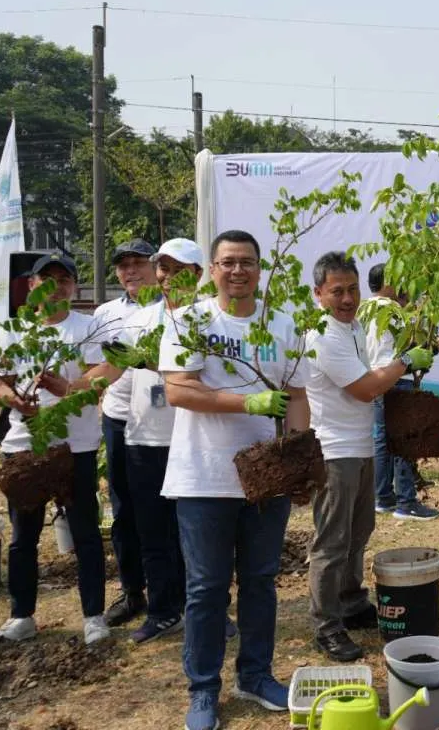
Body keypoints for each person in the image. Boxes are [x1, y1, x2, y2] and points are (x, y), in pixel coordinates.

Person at [160, 230, 310, 730]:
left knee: (261, 581)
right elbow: (180, 389)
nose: (237, 271)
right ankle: (203, 689)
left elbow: (298, 395)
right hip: (204, 477)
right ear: (212, 269)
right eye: (228, 262)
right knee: (206, 587)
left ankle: (256, 675)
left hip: (267, 480)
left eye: (246, 262)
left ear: (259, 268)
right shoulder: (191, 320)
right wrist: (247, 401)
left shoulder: (283, 325)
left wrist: (297, 454)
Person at [46, 239, 207, 644]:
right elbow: (109, 369)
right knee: (152, 530)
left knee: (196, 532)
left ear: (199, 275)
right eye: (165, 269)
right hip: (145, 438)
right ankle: (163, 610)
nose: (170, 278)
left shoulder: (210, 321)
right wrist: (69, 387)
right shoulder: (139, 322)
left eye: (179, 270)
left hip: (195, 438)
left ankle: (203, 609)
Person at [305, 252, 433, 662]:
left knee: (358, 532)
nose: (346, 298)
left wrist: (406, 355)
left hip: (359, 445)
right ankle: (326, 626)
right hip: (333, 450)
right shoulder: (322, 333)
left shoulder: (357, 326)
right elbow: (365, 389)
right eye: (337, 291)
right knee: (332, 542)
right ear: (318, 294)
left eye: (352, 289)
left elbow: (377, 372)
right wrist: (404, 362)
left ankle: (351, 600)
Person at [0, 253, 110, 645]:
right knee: (23, 536)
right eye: (47, 278)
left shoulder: (89, 327)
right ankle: (21, 614)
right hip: (23, 446)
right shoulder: (12, 331)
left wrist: (67, 388)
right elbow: (1, 383)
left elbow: (98, 379)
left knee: (85, 533)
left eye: (64, 278)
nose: (56, 285)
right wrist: (16, 400)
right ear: (31, 285)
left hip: (76, 445)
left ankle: (93, 615)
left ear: (74, 286)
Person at [93, 238, 159, 628]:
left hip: (161, 423)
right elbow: (97, 365)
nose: (130, 271)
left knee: (165, 511)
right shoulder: (105, 313)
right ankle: (132, 591)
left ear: (155, 267)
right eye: (123, 265)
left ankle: (174, 592)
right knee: (123, 509)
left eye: (138, 263)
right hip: (119, 419)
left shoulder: (172, 309)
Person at [360, 263, 439, 520]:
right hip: (397, 376)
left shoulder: (362, 309)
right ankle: (407, 503)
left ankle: (383, 497)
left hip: (374, 377)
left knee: (383, 439)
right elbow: (414, 343)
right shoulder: (394, 310)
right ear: (387, 283)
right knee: (404, 441)